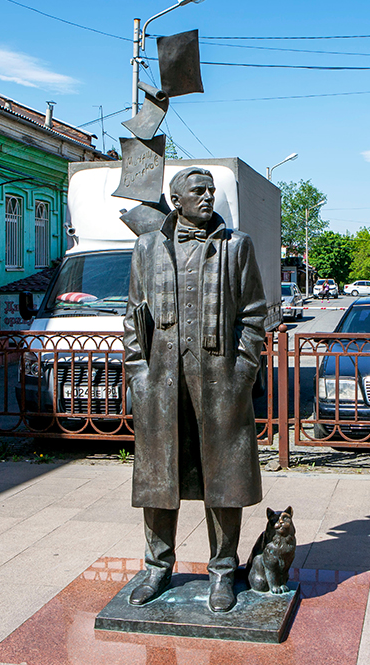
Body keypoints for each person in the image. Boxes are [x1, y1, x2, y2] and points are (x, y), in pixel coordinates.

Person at [123, 167, 266, 613]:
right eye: (198, 191)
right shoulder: (147, 247)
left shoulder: (236, 245)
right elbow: (132, 318)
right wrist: (139, 376)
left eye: (212, 191)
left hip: (219, 381)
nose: (208, 197)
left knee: (223, 478)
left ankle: (223, 571)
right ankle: (156, 567)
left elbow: (255, 315)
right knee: (158, 479)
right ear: (175, 198)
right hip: (161, 382)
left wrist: (241, 374)